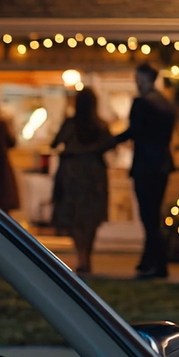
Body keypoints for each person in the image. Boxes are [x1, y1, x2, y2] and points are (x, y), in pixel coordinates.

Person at [115, 63, 177, 279]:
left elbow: (133, 131)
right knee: (154, 215)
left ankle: (154, 263)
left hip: (145, 166)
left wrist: (107, 142)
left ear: (144, 79)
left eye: (137, 78)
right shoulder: (165, 104)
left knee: (148, 216)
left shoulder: (142, 104)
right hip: (162, 164)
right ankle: (152, 260)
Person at [50, 88, 114, 275]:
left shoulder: (71, 124)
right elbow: (110, 144)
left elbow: (55, 143)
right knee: (90, 217)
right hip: (94, 173)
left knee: (75, 217)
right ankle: (88, 256)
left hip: (73, 172)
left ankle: (81, 257)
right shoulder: (100, 125)